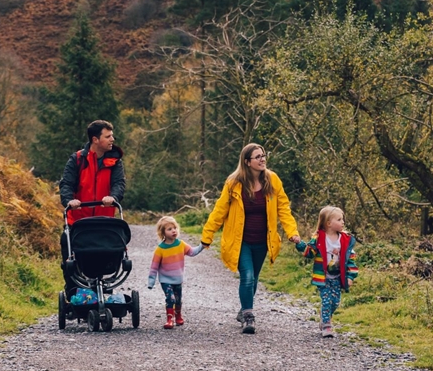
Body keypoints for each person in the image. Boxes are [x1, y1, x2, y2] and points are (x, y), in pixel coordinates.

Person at [200, 143, 301, 334]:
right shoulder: (234, 183)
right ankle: (249, 317)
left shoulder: (273, 180)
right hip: (240, 241)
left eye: (263, 155)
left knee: (253, 280)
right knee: (247, 277)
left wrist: (292, 232)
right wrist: (208, 235)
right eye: (258, 157)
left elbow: (283, 209)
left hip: (263, 241)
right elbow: (219, 211)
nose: (263, 159)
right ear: (247, 162)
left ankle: (243, 309)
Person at [59, 120, 126, 298]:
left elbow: (119, 184)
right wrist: (70, 200)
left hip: (105, 222)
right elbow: (66, 184)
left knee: (107, 255)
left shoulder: (114, 162)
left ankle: (103, 288)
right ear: (95, 139)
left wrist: (113, 197)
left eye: (112, 135)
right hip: (80, 221)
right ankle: (73, 292)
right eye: (108, 136)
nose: (113, 139)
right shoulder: (77, 159)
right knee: (69, 252)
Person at [296, 205, 358, 337]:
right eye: (339, 219)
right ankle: (327, 326)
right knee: (326, 300)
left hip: (338, 277)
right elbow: (310, 253)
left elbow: (351, 259)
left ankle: (325, 317)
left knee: (335, 301)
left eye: (343, 219)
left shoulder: (345, 240)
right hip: (323, 277)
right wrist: (300, 244)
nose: (343, 222)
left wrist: (351, 276)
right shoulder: (319, 238)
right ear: (329, 223)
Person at [147, 215, 203, 329]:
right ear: (163, 233)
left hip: (178, 279)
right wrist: (151, 281)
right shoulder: (160, 249)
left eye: (174, 228)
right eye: (169, 229)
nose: (173, 231)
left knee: (177, 300)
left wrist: (203, 245)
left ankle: (178, 316)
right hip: (165, 280)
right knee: (170, 298)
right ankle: (169, 319)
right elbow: (154, 266)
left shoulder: (181, 244)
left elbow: (192, 252)